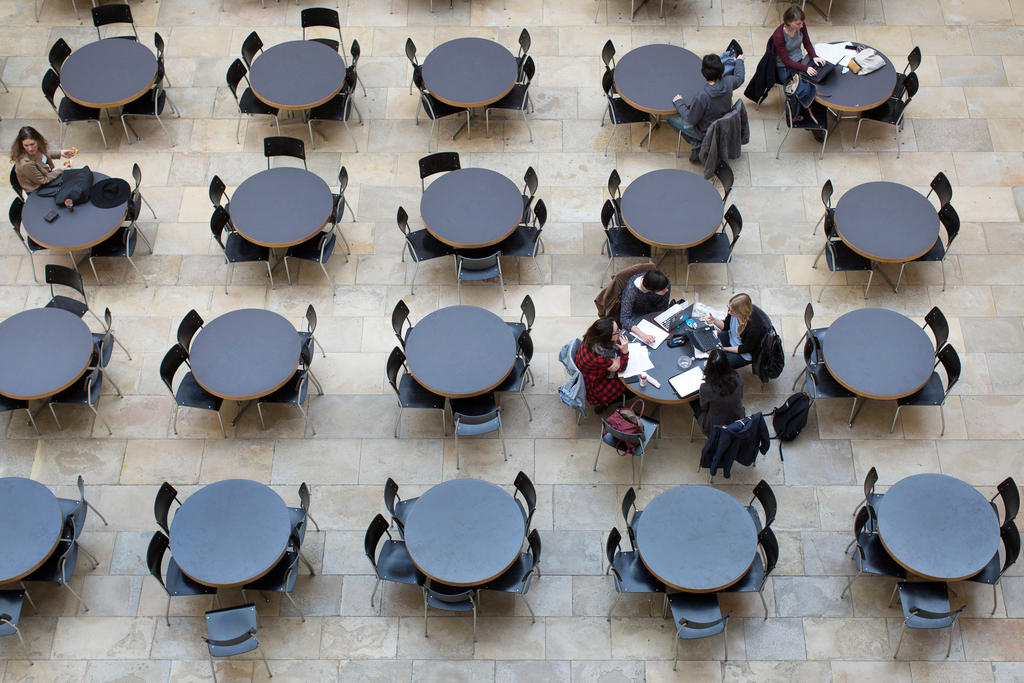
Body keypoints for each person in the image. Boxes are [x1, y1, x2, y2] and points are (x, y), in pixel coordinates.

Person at [669, 52, 745, 162]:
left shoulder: (702, 96)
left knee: (670, 119)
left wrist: (679, 102)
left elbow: (691, 119)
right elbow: (740, 78)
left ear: (703, 73)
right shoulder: (729, 82)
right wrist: (739, 61)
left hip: (705, 131)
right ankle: (699, 145)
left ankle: (697, 143)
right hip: (723, 126)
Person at [772, 5, 825, 122]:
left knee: (816, 77)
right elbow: (786, 61)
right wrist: (805, 68)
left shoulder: (801, 26)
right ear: (789, 22)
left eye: (802, 23)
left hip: (798, 60)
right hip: (784, 67)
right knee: (799, 87)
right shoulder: (779, 35)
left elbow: (807, 42)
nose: (802, 26)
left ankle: (808, 108)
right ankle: (797, 113)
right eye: (798, 24)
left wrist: (814, 56)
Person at [704, 292, 772, 369]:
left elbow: (744, 349)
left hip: (743, 353)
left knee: (718, 364)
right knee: (708, 342)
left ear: (741, 312)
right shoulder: (733, 312)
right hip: (731, 337)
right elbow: (726, 326)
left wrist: (723, 349)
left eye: (731, 311)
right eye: (729, 308)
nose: (729, 312)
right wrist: (714, 320)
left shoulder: (755, 329)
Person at [574, 317, 630, 410]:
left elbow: (614, 361)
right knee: (627, 386)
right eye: (617, 331)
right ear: (607, 337)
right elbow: (621, 368)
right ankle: (603, 403)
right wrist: (624, 352)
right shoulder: (598, 356)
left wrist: (616, 360)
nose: (619, 332)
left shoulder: (592, 337)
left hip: (587, 372)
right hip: (594, 385)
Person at [691, 348, 744, 436]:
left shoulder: (707, 388)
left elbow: (704, 407)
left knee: (693, 401)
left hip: (715, 426)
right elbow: (740, 396)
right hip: (737, 418)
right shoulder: (737, 377)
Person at [10, 126, 75, 193]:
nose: (30, 148)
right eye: (26, 145)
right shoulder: (26, 164)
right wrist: (60, 170)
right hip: (38, 189)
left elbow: (43, 154)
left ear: (38, 141)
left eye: (32, 144)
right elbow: (43, 180)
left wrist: (60, 153)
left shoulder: (37, 148)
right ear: (21, 145)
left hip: (46, 176)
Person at [620, 268, 671, 345]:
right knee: (639, 343)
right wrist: (643, 335)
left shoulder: (664, 285)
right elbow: (624, 318)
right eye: (663, 289)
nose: (667, 290)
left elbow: (663, 307)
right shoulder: (631, 291)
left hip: (655, 310)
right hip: (637, 313)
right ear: (652, 291)